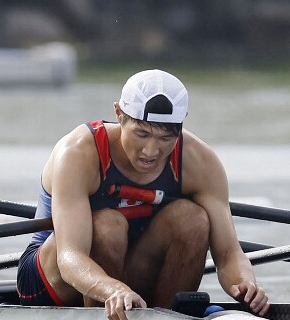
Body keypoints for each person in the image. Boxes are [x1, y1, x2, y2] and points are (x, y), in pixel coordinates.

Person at [16, 69, 269, 319]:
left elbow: (227, 254)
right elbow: (70, 258)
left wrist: (245, 283)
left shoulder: (199, 161)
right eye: (142, 134)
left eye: (165, 138)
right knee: (109, 225)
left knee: (192, 219)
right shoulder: (78, 152)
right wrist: (111, 288)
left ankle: (167, 314)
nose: (151, 151)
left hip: (130, 270)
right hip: (52, 276)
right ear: (119, 114)